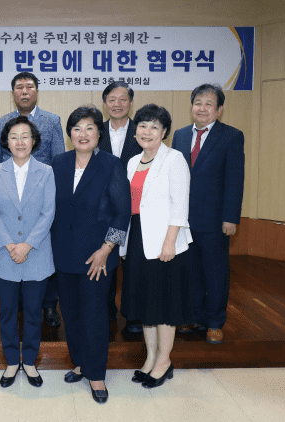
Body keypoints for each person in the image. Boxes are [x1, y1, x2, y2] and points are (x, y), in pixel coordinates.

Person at [51, 106, 131, 403]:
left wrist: (106, 249)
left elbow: (122, 213)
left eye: (89, 128)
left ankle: (96, 375)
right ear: (69, 134)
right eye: (76, 128)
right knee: (70, 313)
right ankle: (81, 363)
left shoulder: (111, 164)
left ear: (99, 133)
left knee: (94, 315)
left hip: (97, 256)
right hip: (63, 253)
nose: (82, 134)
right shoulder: (59, 163)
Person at [119, 104, 193, 389]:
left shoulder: (174, 159)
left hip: (165, 243)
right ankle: (150, 358)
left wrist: (170, 242)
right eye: (142, 126)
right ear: (135, 130)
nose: (147, 131)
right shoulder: (132, 162)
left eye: (154, 127)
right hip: (138, 238)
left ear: (164, 132)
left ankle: (164, 361)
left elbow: (180, 205)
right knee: (146, 304)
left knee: (164, 305)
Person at [172, 84, 245, 344]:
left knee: (215, 272)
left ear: (219, 109)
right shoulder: (180, 135)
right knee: (189, 271)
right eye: (198, 103)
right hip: (183, 220)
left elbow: (235, 179)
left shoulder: (231, 136)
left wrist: (230, 217)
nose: (202, 108)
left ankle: (214, 322)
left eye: (208, 104)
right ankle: (191, 316)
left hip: (215, 220)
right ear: (191, 106)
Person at [0, 71, 65, 327]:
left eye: (29, 87)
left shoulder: (52, 120)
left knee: (43, 251)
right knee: (12, 254)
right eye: (19, 87)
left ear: (37, 91)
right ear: (13, 93)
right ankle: (18, 303)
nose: (24, 91)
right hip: (10, 199)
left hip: (41, 197)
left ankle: (49, 305)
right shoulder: (3, 121)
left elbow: (59, 159)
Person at [0, 116, 56, 388]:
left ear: (34, 141)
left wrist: (27, 245)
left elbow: (48, 212)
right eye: (13, 136)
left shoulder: (46, 172)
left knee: (33, 312)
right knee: (7, 312)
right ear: (6, 142)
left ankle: (29, 361)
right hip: (5, 255)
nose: (19, 141)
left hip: (36, 254)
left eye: (25, 136)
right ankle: (11, 362)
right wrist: (9, 244)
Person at [99, 81, 143, 331]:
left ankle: (133, 315)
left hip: (137, 209)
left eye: (123, 99)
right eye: (112, 99)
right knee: (107, 259)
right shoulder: (95, 131)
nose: (117, 104)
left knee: (133, 264)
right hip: (104, 211)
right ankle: (106, 311)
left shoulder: (142, 130)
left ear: (131, 102)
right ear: (105, 103)